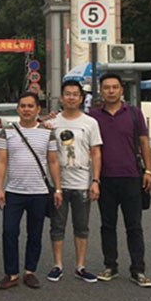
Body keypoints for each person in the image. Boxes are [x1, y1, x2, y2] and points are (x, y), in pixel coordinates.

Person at [89, 73, 151, 288]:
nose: (111, 91)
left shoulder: (134, 114)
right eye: (106, 87)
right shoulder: (94, 116)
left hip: (131, 177)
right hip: (105, 178)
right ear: (101, 91)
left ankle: (138, 269)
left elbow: (144, 143)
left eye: (114, 87)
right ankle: (110, 266)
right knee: (107, 226)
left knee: (134, 226)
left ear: (121, 90)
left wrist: (149, 171)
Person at [0, 92, 62, 290]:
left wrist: (57, 189)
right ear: (18, 109)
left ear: (38, 109)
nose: (26, 110)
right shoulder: (7, 132)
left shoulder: (48, 133)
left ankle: (30, 271)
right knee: (9, 232)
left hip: (39, 192)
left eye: (30, 106)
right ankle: (12, 273)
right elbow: (1, 161)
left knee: (35, 233)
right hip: (13, 191)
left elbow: (53, 161)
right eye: (23, 106)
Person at [46, 80, 102, 283]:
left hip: (82, 183)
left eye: (75, 94)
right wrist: (43, 122)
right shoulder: (52, 122)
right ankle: (57, 265)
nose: (71, 97)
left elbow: (96, 153)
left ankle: (80, 266)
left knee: (82, 226)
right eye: (67, 94)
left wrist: (95, 180)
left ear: (81, 98)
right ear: (61, 97)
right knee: (57, 226)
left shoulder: (90, 123)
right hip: (58, 184)